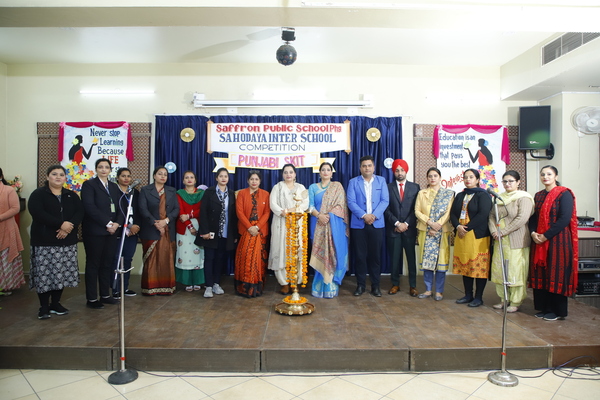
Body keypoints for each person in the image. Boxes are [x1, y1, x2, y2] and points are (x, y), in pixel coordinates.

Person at [28, 165, 83, 319]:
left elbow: (80, 212)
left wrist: (67, 227)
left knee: (60, 274)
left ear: (65, 178)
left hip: (66, 241)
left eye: (61, 174)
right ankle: (44, 306)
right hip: (44, 241)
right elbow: (38, 213)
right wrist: (60, 224)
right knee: (45, 275)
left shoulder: (71, 195)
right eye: (54, 174)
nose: (58, 177)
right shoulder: (38, 194)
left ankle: (56, 304)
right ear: (47, 177)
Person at [529, 165, 578, 321]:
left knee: (556, 273)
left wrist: (546, 235)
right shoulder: (538, 195)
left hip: (558, 240)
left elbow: (564, 219)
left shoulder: (564, 194)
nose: (545, 177)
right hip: (539, 240)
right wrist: (533, 233)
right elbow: (533, 218)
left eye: (549, 174)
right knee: (541, 273)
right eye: (542, 174)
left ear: (556, 176)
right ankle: (544, 308)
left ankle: (557, 311)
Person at [488, 171, 534, 313]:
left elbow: (521, 218)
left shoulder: (524, 198)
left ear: (518, 182)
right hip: (500, 240)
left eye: (511, 181)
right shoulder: (499, 198)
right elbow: (491, 216)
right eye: (505, 181)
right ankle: (504, 299)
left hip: (516, 240)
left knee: (515, 270)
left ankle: (516, 301)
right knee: (501, 270)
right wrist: (493, 231)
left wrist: (503, 231)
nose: (507, 184)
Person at [81, 158, 124, 308]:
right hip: (95, 232)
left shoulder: (114, 186)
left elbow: (120, 207)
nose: (104, 169)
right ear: (96, 169)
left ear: (110, 169)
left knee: (107, 264)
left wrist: (117, 224)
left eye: (106, 167)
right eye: (100, 167)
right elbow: (89, 207)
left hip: (111, 232)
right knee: (94, 264)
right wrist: (108, 223)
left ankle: (105, 294)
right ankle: (92, 299)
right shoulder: (89, 185)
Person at [347, 155, 390, 297]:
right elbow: (351, 202)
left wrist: (374, 216)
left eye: (369, 165)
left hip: (377, 224)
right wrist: (364, 216)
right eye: (364, 166)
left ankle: (375, 286)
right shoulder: (353, 182)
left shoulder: (381, 181)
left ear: (373, 167)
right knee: (360, 256)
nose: (367, 168)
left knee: (375, 256)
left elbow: (385, 201)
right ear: (360, 168)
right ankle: (360, 286)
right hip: (358, 224)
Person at [451, 168, 492, 307]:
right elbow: (452, 213)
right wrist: (457, 226)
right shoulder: (460, 195)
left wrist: (466, 228)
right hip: (462, 235)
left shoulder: (483, 195)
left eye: (471, 177)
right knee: (465, 264)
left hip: (477, 235)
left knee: (478, 267)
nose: (468, 179)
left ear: (477, 179)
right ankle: (468, 295)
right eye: (465, 177)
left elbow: (483, 214)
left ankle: (478, 297)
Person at [308, 162, 349, 298]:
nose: (325, 172)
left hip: (334, 226)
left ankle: (330, 286)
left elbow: (341, 206)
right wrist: (319, 215)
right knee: (320, 253)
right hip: (317, 224)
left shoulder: (337, 187)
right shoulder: (313, 187)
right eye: (323, 170)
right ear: (319, 173)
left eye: (328, 170)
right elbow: (310, 206)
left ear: (332, 173)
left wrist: (328, 216)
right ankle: (319, 287)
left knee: (333, 254)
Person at [195, 168, 237, 298]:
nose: (223, 178)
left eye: (226, 176)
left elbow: (234, 215)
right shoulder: (210, 192)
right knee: (209, 259)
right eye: (221, 176)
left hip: (224, 232)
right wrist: (205, 231)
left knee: (220, 259)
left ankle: (216, 284)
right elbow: (204, 213)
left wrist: (234, 235)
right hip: (211, 232)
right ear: (216, 178)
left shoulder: (231, 193)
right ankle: (208, 286)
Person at [268, 163, 309, 295]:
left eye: (291, 172)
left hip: (297, 224)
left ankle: (295, 282)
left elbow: (305, 203)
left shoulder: (301, 187)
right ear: (282, 174)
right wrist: (283, 212)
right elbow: (272, 203)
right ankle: (284, 283)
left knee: (296, 251)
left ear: (295, 174)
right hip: (281, 222)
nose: (288, 175)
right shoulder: (277, 187)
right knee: (281, 251)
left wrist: (292, 210)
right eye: (286, 172)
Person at [414, 167, 454, 301]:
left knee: (441, 262)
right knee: (427, 262)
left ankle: (439, 291)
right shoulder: (422, 193)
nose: (432, 178)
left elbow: (449, 212)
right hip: (426, 230)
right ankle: (427, 289)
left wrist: (438, 225)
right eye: (430, 176)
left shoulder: (448, 194)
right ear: (427, 178)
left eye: (435, 176)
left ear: (440, 177)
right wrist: (430, 223)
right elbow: (417, 211)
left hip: (442, 231)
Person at [138, 166, 179, 295]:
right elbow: (143, 209)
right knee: (152, 260)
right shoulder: (145, 190)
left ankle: (167, 288)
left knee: (166, 259)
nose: (163, 176)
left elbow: (176, 210)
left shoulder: (172, 191)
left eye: (165, 174)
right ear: (154, 175)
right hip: (151, 229)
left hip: (167, 229)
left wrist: (165, 221)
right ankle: (150, 288)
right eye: (160, 174)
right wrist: (156, 223)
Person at [384, 159, 420, 296]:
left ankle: (413, 286)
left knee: (411, 259)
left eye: (402, 170)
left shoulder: (415, 187)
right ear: (394, 172)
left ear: (406, 171)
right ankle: (395, 284)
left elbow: (416, 208)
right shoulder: (388, 187)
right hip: (394, 229)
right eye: (397, 170)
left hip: (409, 230)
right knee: (394, 259)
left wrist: (406, 224)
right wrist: (397, 223)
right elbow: (386, 209)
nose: (400, 173)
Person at [235, 170, 270, 297]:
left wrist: (257, 227)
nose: (254, 181)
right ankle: (244, 287)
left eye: (256, 179)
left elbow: (267, 213)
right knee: (245, 257)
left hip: (259, 232)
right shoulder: (241, 194)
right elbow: (239, 212)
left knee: (258, 261)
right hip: (246, 230)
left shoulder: (266, 194)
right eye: (252, 179)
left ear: (260, 181)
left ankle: (257, 287)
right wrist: (250, 227)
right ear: (247, 181)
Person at [111, 168, 141, 299]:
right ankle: (115, 288)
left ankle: (125, 287)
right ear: (118, 178)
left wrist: (135, 227)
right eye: (123, 176)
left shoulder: (135, 192)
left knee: (127, 259)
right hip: (119, 231)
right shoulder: (114, 192)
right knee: (117, 259)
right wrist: (127, 226)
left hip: (133, 232)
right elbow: (115, 212)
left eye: (129, 176)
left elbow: (140, 211)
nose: (126, 178)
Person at [176, 171, 205, 292]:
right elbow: (180, 211)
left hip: (199, 226)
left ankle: (198, 281)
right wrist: (190, 226)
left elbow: (203, 209)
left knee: (198, 255)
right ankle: (187, 282)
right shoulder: (179, 194)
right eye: (186, 177)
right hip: (184, 229)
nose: (189, 179)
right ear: (183, 181)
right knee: (185, 254)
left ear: (195, 180)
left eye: (191, 177)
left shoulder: (202, 194)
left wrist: (189, 216)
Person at [0, 167, 25, 295]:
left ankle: (6, 286)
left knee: (5, 257)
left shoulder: (8, 190)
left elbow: (15, 208)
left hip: (7, 228)